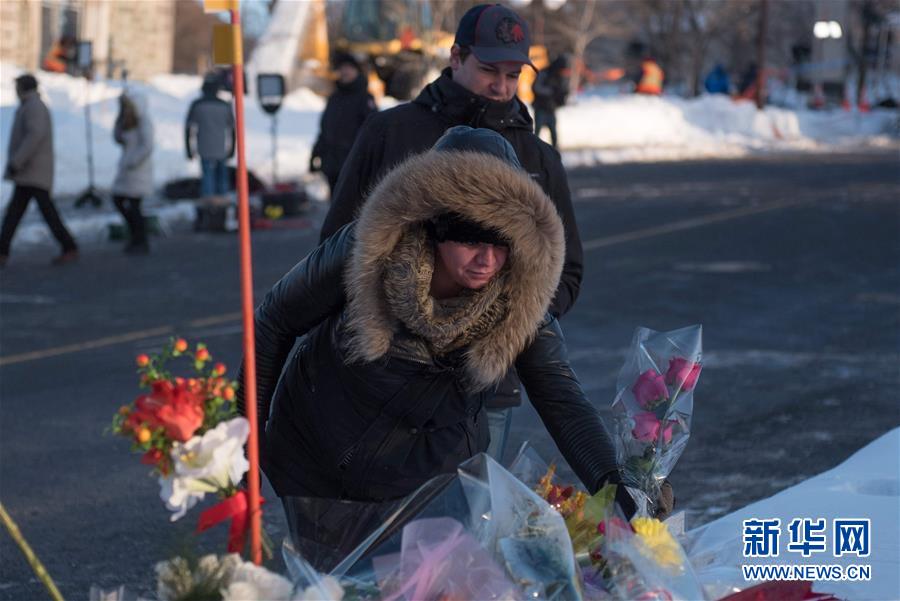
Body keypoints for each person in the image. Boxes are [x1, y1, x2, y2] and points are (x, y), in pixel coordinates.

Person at [239, 127, 650, 567]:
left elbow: (560, 397)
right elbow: (273, 321)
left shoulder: (519, 296)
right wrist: (243, 447)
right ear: (432, 225)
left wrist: (615, 486)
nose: (487, 260)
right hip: (318, 464)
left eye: (501, 244)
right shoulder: (365, 251)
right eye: (470, 238)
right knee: (333, 589)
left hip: (435, 479)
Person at [319, 4, 584, 465]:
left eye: (512, 74)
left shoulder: (538, 158)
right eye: (488, 70)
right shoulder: (392, 133)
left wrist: (511, 323)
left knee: (471, 525)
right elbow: (336, 245)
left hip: (486, 387)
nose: (501, 86)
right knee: (383, 526)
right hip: (383, 376)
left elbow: (567, 270)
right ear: (456, 57)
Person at [1, 74, 78, 267]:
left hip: (34, 171)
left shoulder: (34, 107)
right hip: (30, 172)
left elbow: (34, 136)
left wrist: (17, 161)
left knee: (44, 212)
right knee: (16, 213)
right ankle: (2, 250)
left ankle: (69, 246)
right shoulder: (30, 105)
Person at [309, 52, 377, 197]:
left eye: (349, 68)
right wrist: (315, 154)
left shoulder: (365, 99)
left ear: (357, 71)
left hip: (355, 167)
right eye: (341, 69)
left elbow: (373, 133)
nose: (344, 72)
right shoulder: (334, 99)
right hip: (332, 166)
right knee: (335, 211)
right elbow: (325, 130)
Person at [111, 91, 154, 254]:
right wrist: (118, 118)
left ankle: (140, 239)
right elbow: (117, 137)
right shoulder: (127, 120)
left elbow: (147, 146)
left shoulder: (144, 122)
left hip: (138, 170)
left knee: (134, 205)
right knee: (119, 200)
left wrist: (133, 161)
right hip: (126, 170)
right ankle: (136, 237)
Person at [185, 76, 235, 198]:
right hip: (220, 148)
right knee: (222, 177)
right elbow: (232, 129)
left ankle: (209, 205)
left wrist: (189, 149)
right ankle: (223, 204)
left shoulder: (197, 105)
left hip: (204, 147)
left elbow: (188, 128)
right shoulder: (224, 106)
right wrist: (232, 148)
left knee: (207, 176)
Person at [531, 55, 569, 149]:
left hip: (551, 108)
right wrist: (550, 91)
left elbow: (562, 90)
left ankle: (555, 153)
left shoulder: (559, 76)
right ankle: (534, 151)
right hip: (541, 107)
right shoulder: (544, 73)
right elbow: (536, 87)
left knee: (554, 134)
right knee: (537, 133)